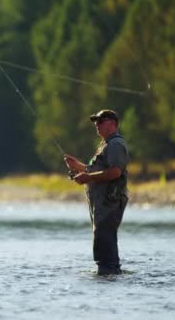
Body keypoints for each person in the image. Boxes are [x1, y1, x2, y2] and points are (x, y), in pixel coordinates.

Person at [63, 109, 129, 275]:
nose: (96, 125)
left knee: (104, 238)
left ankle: (110, 274)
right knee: (101, 238)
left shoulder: (115, 144)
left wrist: (88, 177)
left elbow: (116, 172)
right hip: (102, 202)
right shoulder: (105, 144)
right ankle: (108, 273)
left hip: (109, 201)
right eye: (95, 122)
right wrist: (78, 166)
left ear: (113, 124)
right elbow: (95, 170)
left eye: (100, 121)